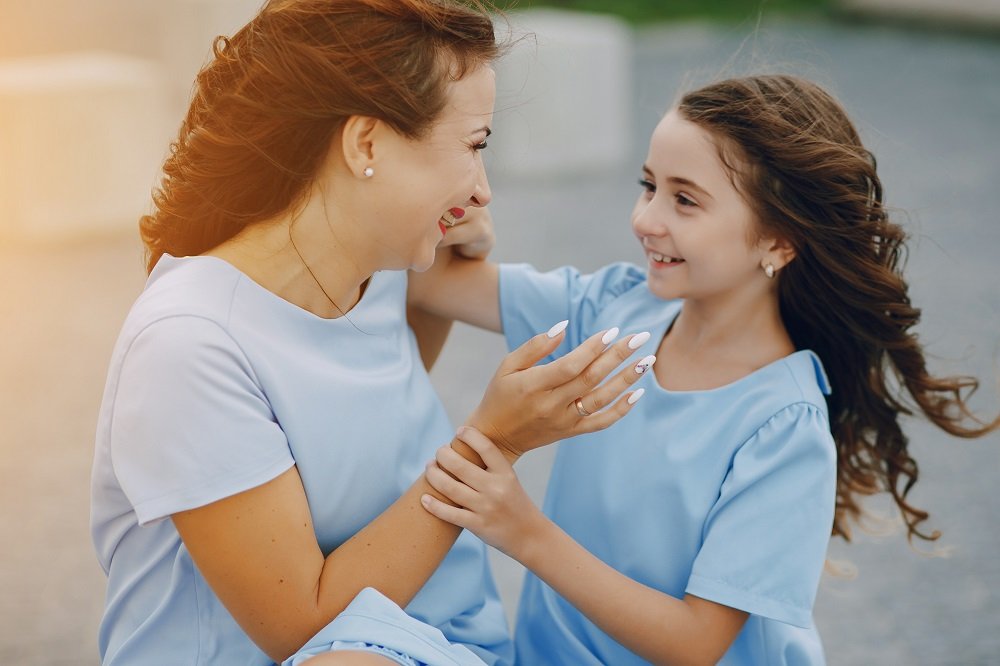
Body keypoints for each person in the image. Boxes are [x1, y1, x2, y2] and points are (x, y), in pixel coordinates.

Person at [88, 2, 649, 665]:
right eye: (473, 147)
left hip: (445, 645)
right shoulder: (189, 345)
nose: (483, 190)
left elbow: (364, 420)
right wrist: (493, 441)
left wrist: (435, 264)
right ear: (366, 145)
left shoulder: (377, 271)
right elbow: (302, 626)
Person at [410, 74, 1000, 664]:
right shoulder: (615, 306)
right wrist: (464, 232)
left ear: (779, 240)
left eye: (684, 199)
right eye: (649, 186)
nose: (646, 219)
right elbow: (425, 279)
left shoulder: (783, 426)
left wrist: (522, 530)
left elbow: (696, 643)